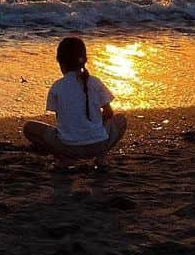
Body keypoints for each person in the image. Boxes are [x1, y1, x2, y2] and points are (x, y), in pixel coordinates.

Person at [23, 36, 127, 169]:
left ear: (61, 63)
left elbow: (61, 120)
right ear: (84, 60)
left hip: (69, 147)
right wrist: (94, 123)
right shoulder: (95, 81)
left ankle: (64, 158)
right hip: (99, 145)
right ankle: (101, 157)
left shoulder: (57, 86)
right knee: (121, 119)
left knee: (29, 128)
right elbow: (109, 113)